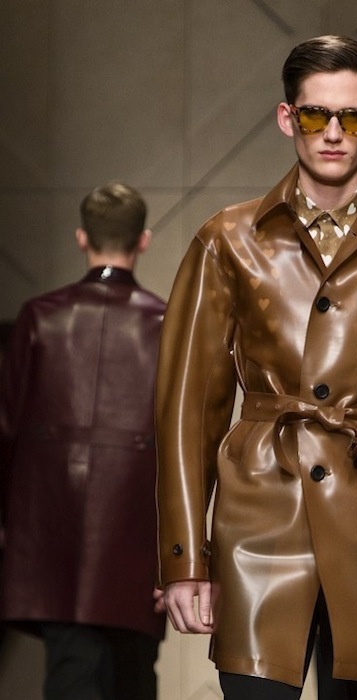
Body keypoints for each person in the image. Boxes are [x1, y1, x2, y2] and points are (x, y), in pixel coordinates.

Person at [155, 36, 357, 700]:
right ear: (288, 118)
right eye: (315, 115)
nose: (333, 133)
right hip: (256, 516)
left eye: (352, 118)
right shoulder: (227, 241)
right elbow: (186, 407)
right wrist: (184, 557)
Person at [0, 183, 167, 699]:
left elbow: (6, 430)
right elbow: (185, 448)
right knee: (133, 680)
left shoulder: (39, 317)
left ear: (81, 238)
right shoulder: (168, 325)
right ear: (143, 240)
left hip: (54, 544)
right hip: (137, 547)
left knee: (71, 676)